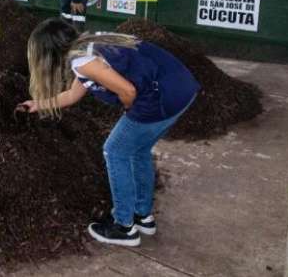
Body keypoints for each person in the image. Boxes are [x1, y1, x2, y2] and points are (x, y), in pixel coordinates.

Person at [18, 18, 199, 247]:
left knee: (114, 151)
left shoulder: (83, 60)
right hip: (180, 91)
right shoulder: (87, 47)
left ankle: (124, 227)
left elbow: (127, 90)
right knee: (139, 151)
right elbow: (72, 95)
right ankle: (142, 216)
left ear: (48, 52)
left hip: (161, 97)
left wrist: (128, 107)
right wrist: (39, 104)